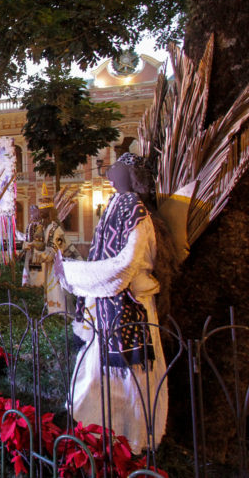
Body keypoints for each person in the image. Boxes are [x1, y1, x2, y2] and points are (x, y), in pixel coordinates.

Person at [54, 153, 167, 453]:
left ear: (131, 175)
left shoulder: (136, 212)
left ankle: (130, 442)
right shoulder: (117, 206)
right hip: (105, 309)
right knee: (94, 375)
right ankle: (92, 433)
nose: (110, 172)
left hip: (128, 309)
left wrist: (70, 272)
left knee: (130, 382)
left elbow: (122, 268)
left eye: (117, 168)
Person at [29, 185, 68, 313]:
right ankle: (52, 311)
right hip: (49, 267)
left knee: (57, 291)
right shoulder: (45, 227)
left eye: (42, 212)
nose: (39, 215)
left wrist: (38, 255)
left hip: (57, 267)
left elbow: (54, 250)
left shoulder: (55, 229)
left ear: (47, 212)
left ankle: (59, 313)